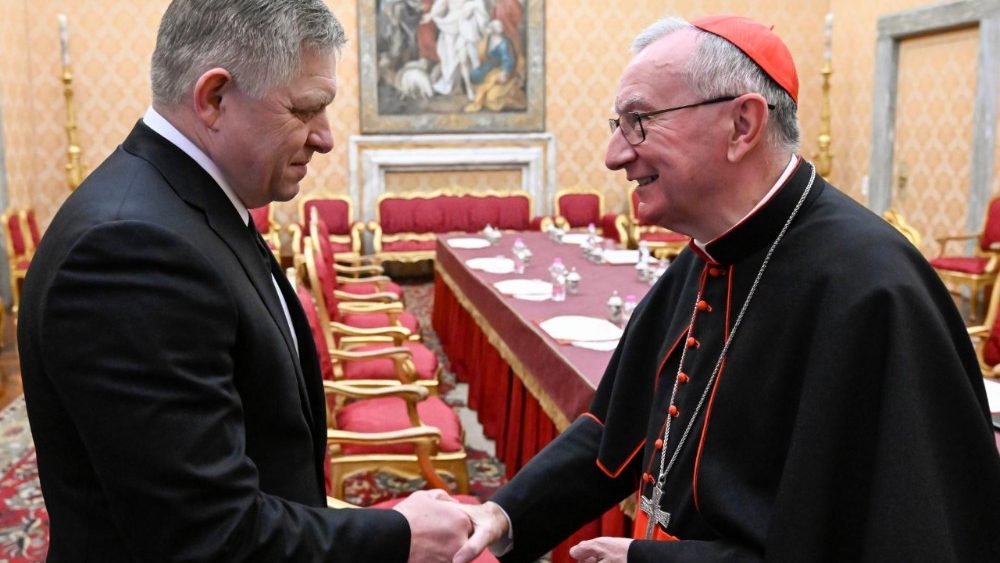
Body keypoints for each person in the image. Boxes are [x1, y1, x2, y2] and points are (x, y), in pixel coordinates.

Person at [452, 15, 1000, 562]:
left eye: (639, 121)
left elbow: (882, 541)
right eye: (617, 124)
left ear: (742, 125)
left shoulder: (874, 289)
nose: (614, 154)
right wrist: (504, 514)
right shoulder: (709, 251)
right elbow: (615, 435)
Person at [18, 1, 470, 561]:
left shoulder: (190, 203)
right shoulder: (131, 249)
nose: (325, 138)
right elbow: (205, 535)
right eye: (306, 111)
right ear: (215, 98)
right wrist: (399, 536)